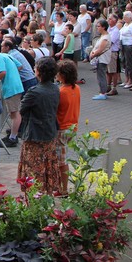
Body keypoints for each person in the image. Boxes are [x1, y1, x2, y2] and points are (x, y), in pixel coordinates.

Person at [17, 56, 61, 194]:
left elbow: (21, 109)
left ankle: (35, 200)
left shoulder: (34, 91)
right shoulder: (55, 88)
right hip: (50, 131)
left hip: (35, 134)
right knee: (48, 165)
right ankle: (47, 196)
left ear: (39, 72)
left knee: (33, 168)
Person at [0, 40, 24, 147]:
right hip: (17, 86)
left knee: (14, 113)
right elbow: (20, 66)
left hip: (10, 88)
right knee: (14, 113)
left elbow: (3, 73)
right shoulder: (5, 55)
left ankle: (13, 138)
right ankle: (13, 135)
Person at [55, 59, 80, 194]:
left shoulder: (61, 92)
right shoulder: (76, 88)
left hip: (62, 128)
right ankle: (61, 187)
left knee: (61, 161)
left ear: (63, 75)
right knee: (62, 158)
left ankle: (63, 189)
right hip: (72, 127)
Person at [89, 19, 112, 100]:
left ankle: (103, 93)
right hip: (100, 59)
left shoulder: (105, 38)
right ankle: (102, 92)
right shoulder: (103, 36)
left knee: (101, 76)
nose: (97, 28)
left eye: (98, 26)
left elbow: (100, 50)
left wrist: (92, 55)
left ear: (104, 27)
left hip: (102, 59)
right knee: (100, 75)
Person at [120, 11, 132, 90]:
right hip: (123, 45)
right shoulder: (125, 24)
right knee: (124, 62)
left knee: (129, 63)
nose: (124, 18)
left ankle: (130, 80)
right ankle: (126, 79)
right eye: (124, 16)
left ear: (130, 17)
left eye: (125, 17)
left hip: (129, 46)